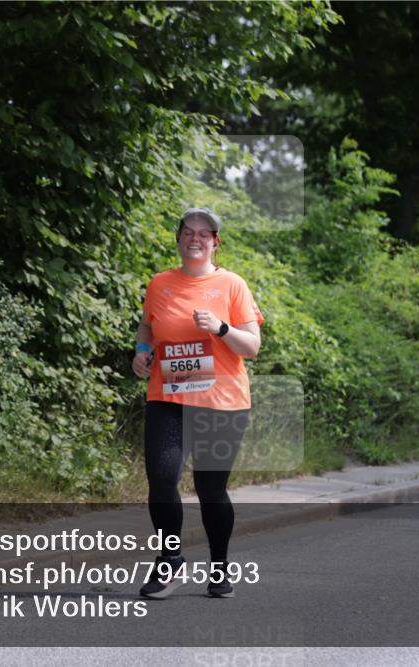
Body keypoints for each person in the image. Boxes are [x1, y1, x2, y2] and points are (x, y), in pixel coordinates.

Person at [132, 206, 264, 599]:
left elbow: (253, 346)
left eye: (204, 233)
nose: (195, 238)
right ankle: (170, 560)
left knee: (211, 489)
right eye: (188, 231)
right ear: (178, 238)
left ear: (215, 243)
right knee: (161, 478)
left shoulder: (232, 285)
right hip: (168, 396)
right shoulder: (160, 283)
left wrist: (222, 329)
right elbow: (147, 324)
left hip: (220, 402)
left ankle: (220, 567)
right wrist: (141, 350)